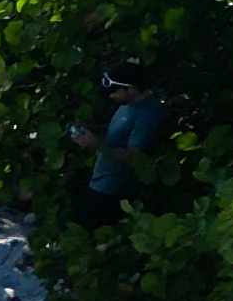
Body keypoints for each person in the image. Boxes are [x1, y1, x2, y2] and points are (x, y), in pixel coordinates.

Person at [66, 60, 163, 224]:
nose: (111, 96)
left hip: (114, 189)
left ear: (131, 88)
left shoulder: (148, 114)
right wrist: (89, 133)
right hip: (100, 181)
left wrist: (96, 145)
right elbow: (117, 135)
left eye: (114, 91)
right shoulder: (128, 103)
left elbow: (133, 157)